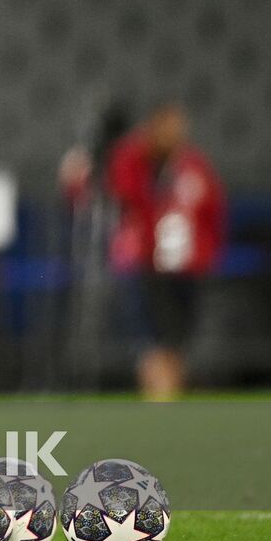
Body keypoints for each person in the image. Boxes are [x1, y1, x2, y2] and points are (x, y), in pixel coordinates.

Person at [107, 103, 225, 400]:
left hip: (186, 265)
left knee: (177, 337)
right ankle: (158, 399)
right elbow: (125, 197)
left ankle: (170, 398)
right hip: (143, 264)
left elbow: (214, 212)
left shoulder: (193, 166)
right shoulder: (133, 160)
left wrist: (208, 253)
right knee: (151, 338)